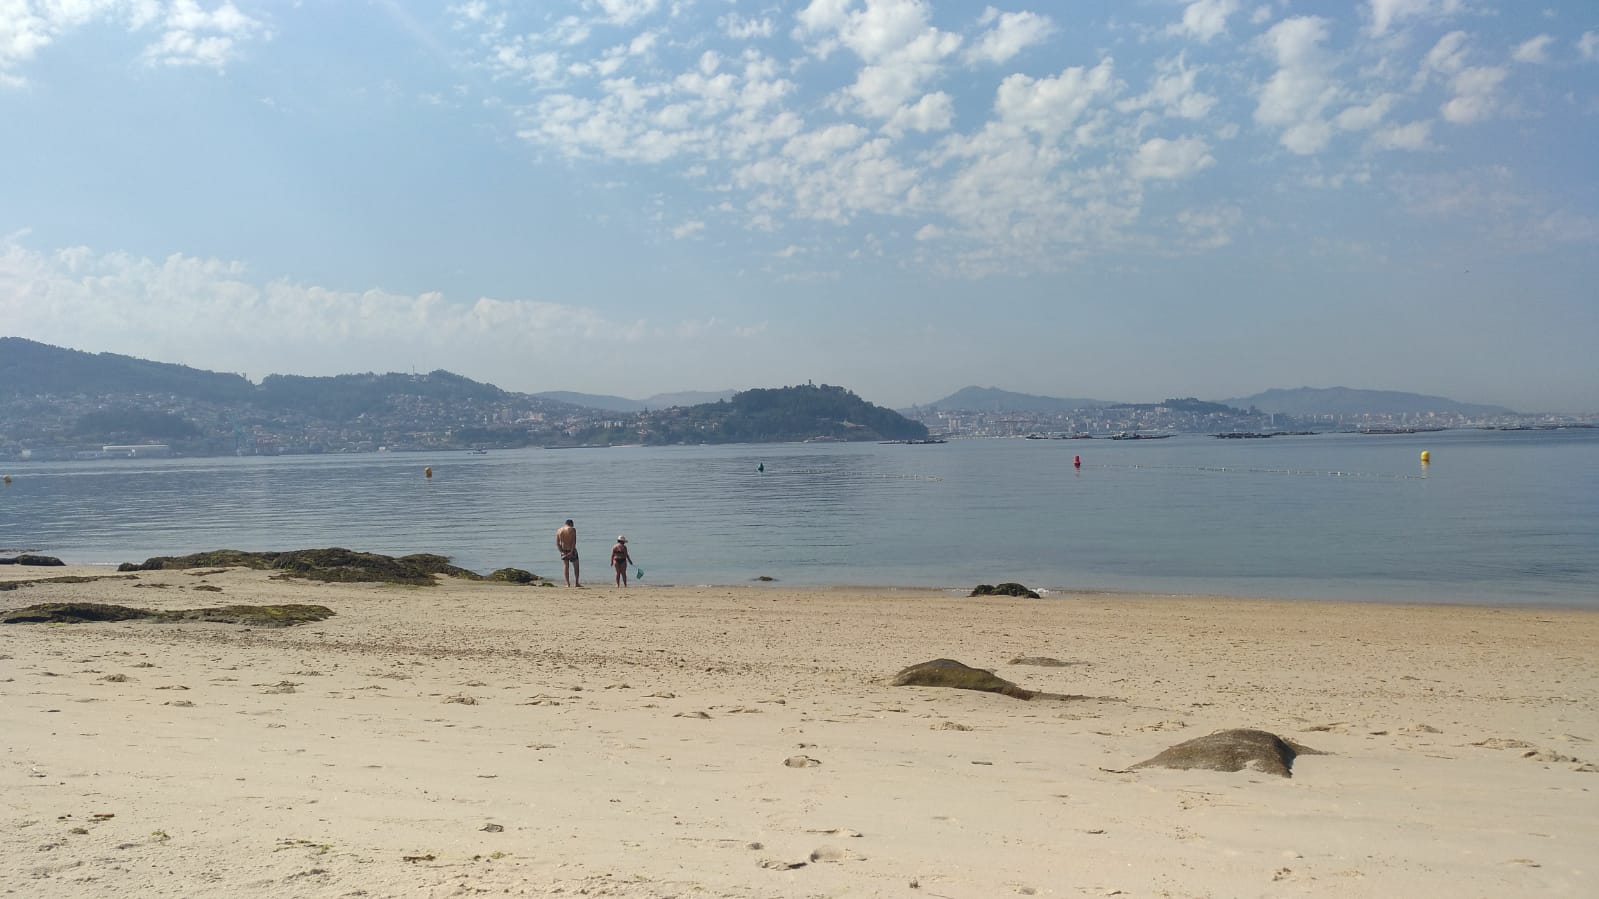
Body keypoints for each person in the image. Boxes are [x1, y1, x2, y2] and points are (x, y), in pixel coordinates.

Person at [556, 518, 580, 587]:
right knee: (576, 566)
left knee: (566, 566)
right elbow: (574, 541)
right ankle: (576, 583)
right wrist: (571, 551)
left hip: (563, 550)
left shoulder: (559, 530)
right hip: (571, 550)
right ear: (571, 524)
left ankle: (567, 584)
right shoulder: (572, 529)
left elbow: (557, 543)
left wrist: (562, 552)